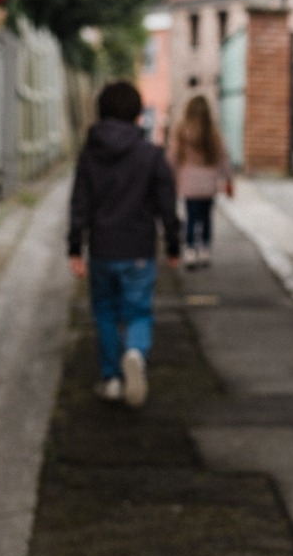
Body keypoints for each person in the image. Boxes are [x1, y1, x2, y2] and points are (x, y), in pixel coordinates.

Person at [68, 81, 181, 408]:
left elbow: (80, 205)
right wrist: (173, 245)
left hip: (102, 250)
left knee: (104, 313)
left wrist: (75, 248)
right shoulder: (151, 155)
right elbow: (166, 205)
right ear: (136, 114)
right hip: (139, 251)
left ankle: (112, 379)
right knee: (138, 311)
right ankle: (135, 351)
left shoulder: (90, 155)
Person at [168, 94, 235, 268]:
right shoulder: (213, 133)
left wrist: (170, 178)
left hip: (189, 184)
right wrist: (229, 179)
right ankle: (204, 250)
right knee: (206, 218)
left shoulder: (181, 131)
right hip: (208, 184)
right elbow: (224, 158)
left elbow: (172, 158)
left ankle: (190, 251)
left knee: (191, 217)